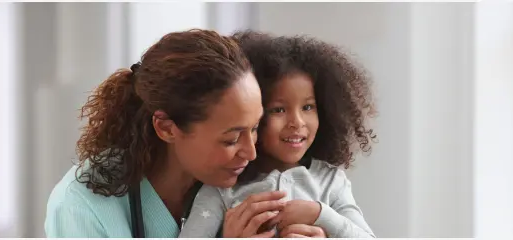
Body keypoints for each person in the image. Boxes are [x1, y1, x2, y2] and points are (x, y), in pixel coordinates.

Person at [44, 29, 297, 238]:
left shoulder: (251, 181)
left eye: (254, 128)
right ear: (166, 128)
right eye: (230, 139)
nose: (251, 152)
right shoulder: (82, 207)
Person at [178, 30, 378, 238]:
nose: (297, 122)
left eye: (308, 107)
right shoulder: (222, 187)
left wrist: (320, 214)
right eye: (279, 110)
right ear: (252, 115)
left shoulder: (330, 181)